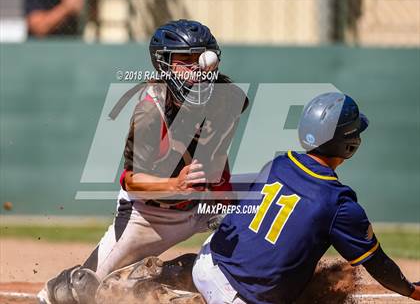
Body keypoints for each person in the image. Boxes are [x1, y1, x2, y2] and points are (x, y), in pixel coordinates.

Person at [37, 19, 248, 304]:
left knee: (261, 234)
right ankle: (137, 283)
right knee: (83, 291)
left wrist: (225, 204)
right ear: (163, 65)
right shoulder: (151, 110)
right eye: (183, 61)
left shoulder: (228, 97)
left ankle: (186, 273)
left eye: (200, 58)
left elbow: (217, 152)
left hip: (201, 204)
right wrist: (177, 184)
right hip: (150, 215)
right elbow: (133, 181)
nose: (196, 69)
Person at [192, 92, 420, 304]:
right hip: (239, 297)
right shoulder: (338, 203)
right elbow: (378, 264)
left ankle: (180, 274)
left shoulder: (280, 164)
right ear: (348, 144)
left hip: (205, 264)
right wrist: (413, 291)